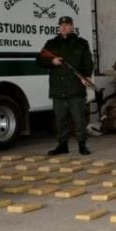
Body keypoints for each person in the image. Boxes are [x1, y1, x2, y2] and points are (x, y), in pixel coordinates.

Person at [36, 15, 94, 156]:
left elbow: (88, 63)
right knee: (60, 119)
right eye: (61, 25)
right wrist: (52, 62)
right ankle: (62, 145)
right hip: (58, 88)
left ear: (72, 27)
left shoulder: (81, 43)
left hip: (75, 87)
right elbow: (39, 60)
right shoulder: (51, 44)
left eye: (67, 25)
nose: (64, 27)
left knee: (79, 118)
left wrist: (85, 77)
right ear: (59, 27)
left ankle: (82, 145)